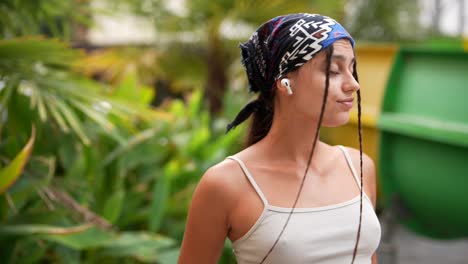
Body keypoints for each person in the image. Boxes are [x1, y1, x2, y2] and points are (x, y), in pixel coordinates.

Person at [178, 13, 381, 264]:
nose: (353, 84)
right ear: (284, 82)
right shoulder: (226, 183)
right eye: (333, 70)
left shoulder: (359, 167)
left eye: (352, 69)